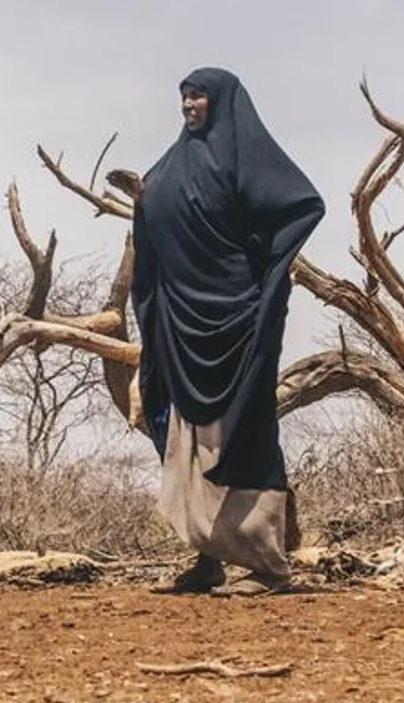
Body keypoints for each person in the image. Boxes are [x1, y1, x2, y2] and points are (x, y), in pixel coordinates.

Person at [131, 67, 325, 595]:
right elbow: (159, 225)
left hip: (238, 319)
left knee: (244, 430)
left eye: (198, 96)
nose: (188, 105)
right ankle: (208, 559)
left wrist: (266, 271)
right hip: (182, 324)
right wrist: (142, 200)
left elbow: (302, 203)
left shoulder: (245, 159)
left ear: (220, 101)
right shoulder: (170, 165)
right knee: (188, 436)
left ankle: (267, 567)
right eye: (183, 96)